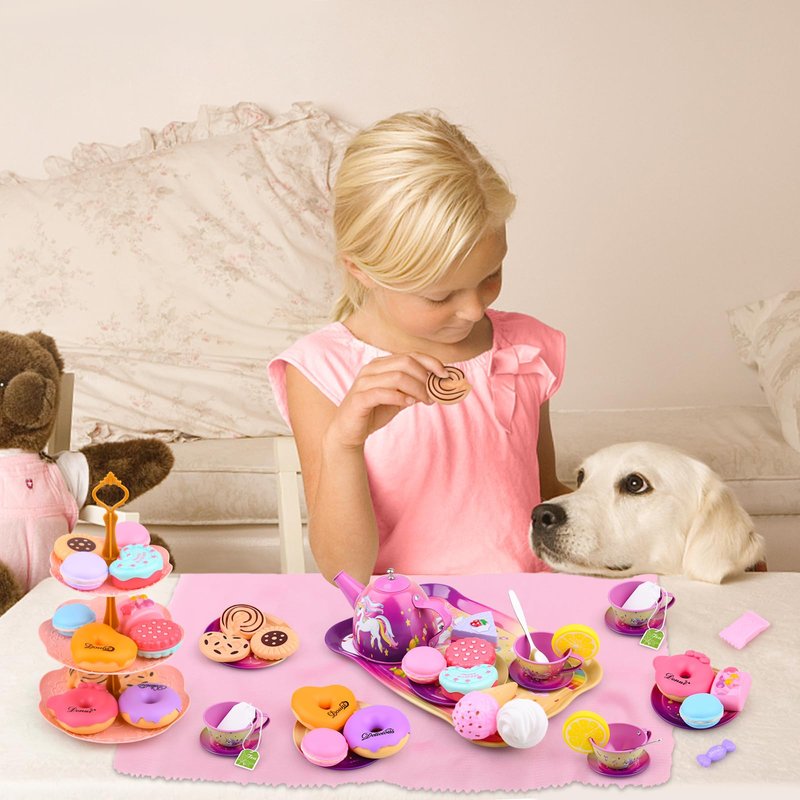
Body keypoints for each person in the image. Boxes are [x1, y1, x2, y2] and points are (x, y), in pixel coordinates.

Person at [269, 111, 570, 585]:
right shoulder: (321, 370)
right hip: (404, 618)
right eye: (439, 296)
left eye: (490, 275)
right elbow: (343, 569)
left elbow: (545, 493)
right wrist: (345, 441)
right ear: (361, 270)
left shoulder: (525, 349)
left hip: (529, 606)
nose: (474, 309)